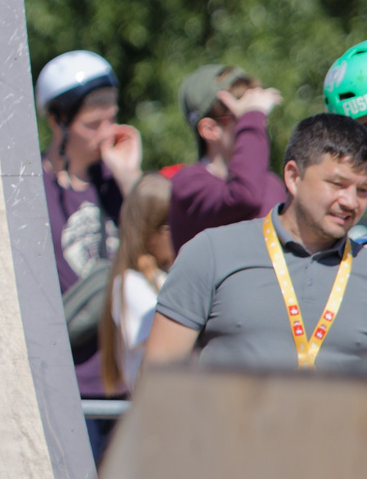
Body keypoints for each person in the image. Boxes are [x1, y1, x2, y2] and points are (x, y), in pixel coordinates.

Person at [143, 113, 367, 373]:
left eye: (363, 190)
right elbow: (156, 384)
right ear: (294, 176)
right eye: (337, 184)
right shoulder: (212, 252)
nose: (351, 202)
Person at [33, 50, 142, 420]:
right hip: (68, 386)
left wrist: (130, 178)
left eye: (112, 119)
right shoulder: (31, 190)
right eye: (92, 123)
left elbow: (167, 248)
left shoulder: (119, 182)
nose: (107, 133)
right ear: (56, 120)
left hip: (126, 382)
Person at [158, 62, 284, 251]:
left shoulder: (271, 184)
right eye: (244, 116)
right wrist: (252, 118)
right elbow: (244, 197)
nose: (259, 123)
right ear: (210, 129)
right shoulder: (188, 184)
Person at [98, 175, 173, 395]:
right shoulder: (130, 284)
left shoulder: (159, 276)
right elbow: (170, 341)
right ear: (150, 234)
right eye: (173, 226)